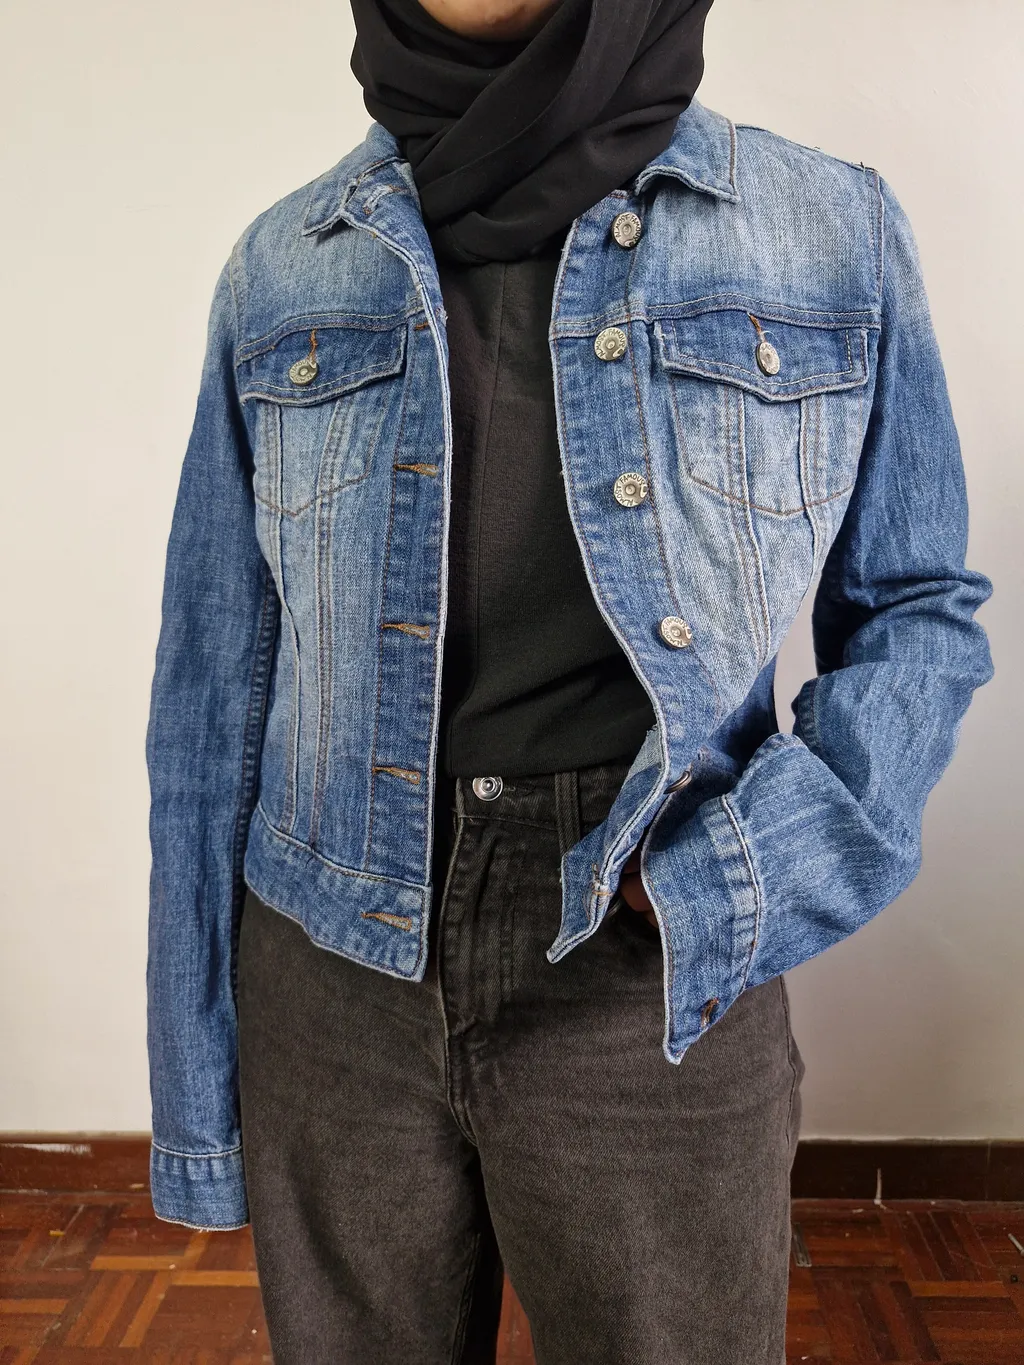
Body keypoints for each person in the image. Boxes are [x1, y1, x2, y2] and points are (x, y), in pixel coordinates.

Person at [143, 0, 995, 1360]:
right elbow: (210, 692)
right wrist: (197, 1094)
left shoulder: (829, 229)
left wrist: (751, 871)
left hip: (648, 964)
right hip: (332, 964)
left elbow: (916, 606)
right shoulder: (285, 267)